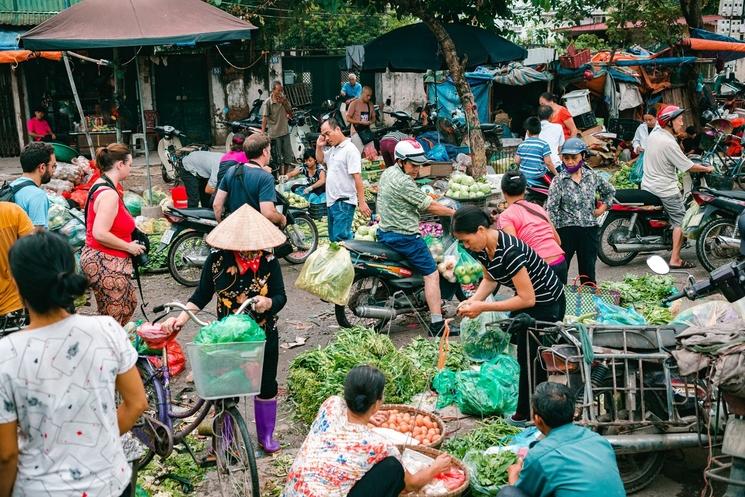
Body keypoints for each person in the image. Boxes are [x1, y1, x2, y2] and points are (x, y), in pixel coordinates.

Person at [0, 231, 147, 497]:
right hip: (110, 483)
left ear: (18, 283)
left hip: (41, 489)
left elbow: (7, 454)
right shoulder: (106, 330)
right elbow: (137, 403)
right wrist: (94, 442)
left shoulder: (7, 354)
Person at [161, 204, 287, 453]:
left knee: (266, 384)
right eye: (245, 247)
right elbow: (201, 295)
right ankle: (226, 438)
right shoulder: (217, 262)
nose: (251, 251)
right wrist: (181, 319)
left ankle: (266, 436)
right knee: (225, 387)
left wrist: (269, 303)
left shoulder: (270, 262)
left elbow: (281, 296)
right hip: (226, 338)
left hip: (262, 336)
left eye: (255, 246)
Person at [453, 206, 564, 426]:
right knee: (525, 354)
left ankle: (531, 415)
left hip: (548, 302)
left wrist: (482, 308)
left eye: (466, 240)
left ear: (481, 230)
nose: (466, 246)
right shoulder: (482, 249)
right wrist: (475, 300)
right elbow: (490, 279)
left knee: (532, 358)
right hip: (529, 301)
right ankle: (531, 411)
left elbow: (527, 299)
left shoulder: (510, 251)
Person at [282, 365, 453, 497]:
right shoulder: (378, 445)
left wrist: (367, 416)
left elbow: (344, 406)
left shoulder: (330, 405)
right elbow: (412, 484)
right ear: (377, 403)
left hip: (293, 491)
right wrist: (435, 468)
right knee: (393, 468)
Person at [377, 140, 456, 336]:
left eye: (419, 165)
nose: (417, 169)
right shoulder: (403, 181)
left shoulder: (389, 173)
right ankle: (437, 324)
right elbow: (428, 206)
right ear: (401, 161)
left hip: (385, 231)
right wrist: (454, 213)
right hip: (404, 236)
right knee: (432, 273)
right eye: (413, 165)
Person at [497, 382, 625, 497]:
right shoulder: (599, 441)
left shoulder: (539, 455)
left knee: (508, 493)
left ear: (538, 420)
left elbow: (523, 490)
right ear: (573, 412)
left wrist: (514, 474)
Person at [642, 106, 713, 269]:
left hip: (648, 184)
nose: (682, 122)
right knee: (681, 220)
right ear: (668, 122)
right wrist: (707, 169)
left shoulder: (655, 134)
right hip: (664, 189)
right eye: (678, 119)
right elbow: (687, 166)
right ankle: (675, 258)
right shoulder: (668, 142)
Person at [80, 143, 143, 326]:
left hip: (106, 259)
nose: (130, 169)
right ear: (120, 165)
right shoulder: (109, 194)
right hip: (105, 261)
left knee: (129, 303)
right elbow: (100, 232)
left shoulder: (101, 184)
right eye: (129, 164)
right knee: (112, 320)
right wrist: (129, 247)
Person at [545, 138, 615, 285]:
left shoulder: (592, 177)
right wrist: (554, 235)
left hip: (589, 230)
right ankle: (561, 303)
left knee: (588, 271)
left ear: (583, 156)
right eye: (566, 158)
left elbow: (610, 191)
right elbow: (551, 210)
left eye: (574, 158)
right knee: (561, 271)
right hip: (565, 231)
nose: (570, 162)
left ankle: (587, 301)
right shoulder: (558, 181)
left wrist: (601, 209)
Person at [498, 171, 566, 284]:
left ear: (503, 191)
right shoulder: (537, 208)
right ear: (525, 189)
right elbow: (557, 241)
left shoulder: (505, 217)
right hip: (559, 262)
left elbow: (513, 252)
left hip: (538, 268)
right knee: (559, 301)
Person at [213, 133, 286, 226]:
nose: (270, 154)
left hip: (234, 229)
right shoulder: (266, 177)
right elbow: (268, 213)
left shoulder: (231, 170)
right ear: (264, 152)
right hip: (254, 232)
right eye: (269, 151)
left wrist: (222, 225)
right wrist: (282, 218)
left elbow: (217, 205)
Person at [316, 118, 371, 241]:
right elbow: (320, 159)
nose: (327, 138)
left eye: (328, 133)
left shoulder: (350, 149)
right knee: (334, 239)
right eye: (324, 135)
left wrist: (361, 202)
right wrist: (319, 146)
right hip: (332, 202)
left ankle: (349, 259)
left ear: (337, 129)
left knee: (341, 240)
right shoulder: (334, 149)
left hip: (344, 202)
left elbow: (357, 178)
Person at [0, 203, 33, 329]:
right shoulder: (12, 211)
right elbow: (34, 252)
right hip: (12, 302)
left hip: (12, 300)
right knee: (14, 347)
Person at [10, 142, 56, 228]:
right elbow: (37, 237)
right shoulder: (37, 195)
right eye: (53, 166)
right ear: (42, 167)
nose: (54, 171)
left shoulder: (12, 186)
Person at [261, 81, 294, 176]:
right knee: (278, 158)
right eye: (279, 90)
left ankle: (285, 174)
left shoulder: (284, 100)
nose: (280, 92)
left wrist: (284, 102)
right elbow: (264, 118)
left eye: (281, 90)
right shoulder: (268, 102)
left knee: (288, 157)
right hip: (274, 134)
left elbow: (290, 113)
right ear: (273, 90)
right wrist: (262, 133)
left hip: (285, 132)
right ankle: (280, 176)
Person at [515, 117, 556, 186]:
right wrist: (556, 174)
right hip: (538, 178)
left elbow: (516, 161)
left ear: (527, 131)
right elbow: (548, 163)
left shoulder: (522, 144)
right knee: (553, 187)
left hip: (523, 177)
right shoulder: (544, 144)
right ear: (540, 130)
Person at [537, 105, 564, 170]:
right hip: (555, 164)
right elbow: (560, 148)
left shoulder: (531, 130)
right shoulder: (558, 127)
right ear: (551, 115)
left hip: (538, 168)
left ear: (538, 117)